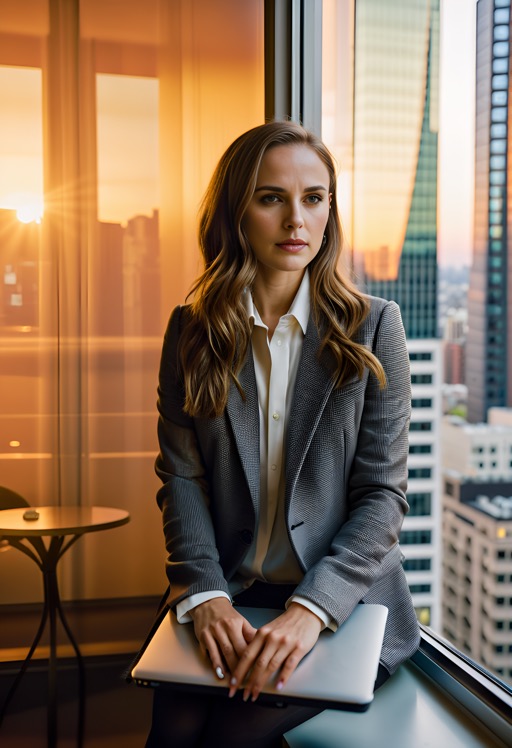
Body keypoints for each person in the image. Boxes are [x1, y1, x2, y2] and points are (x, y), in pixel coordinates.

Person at [146, 120, 420, 747]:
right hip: (232, 591)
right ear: (236, 212)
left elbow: (383, 497)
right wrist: (205, 593)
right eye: (272, 198)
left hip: (341, 602)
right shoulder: (191, 331)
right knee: (173, 729)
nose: (297, 219)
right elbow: (180, 478)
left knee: (231, 733)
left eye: (314, 197)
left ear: (330, 210)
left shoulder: (375, 328)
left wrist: (310, 611)